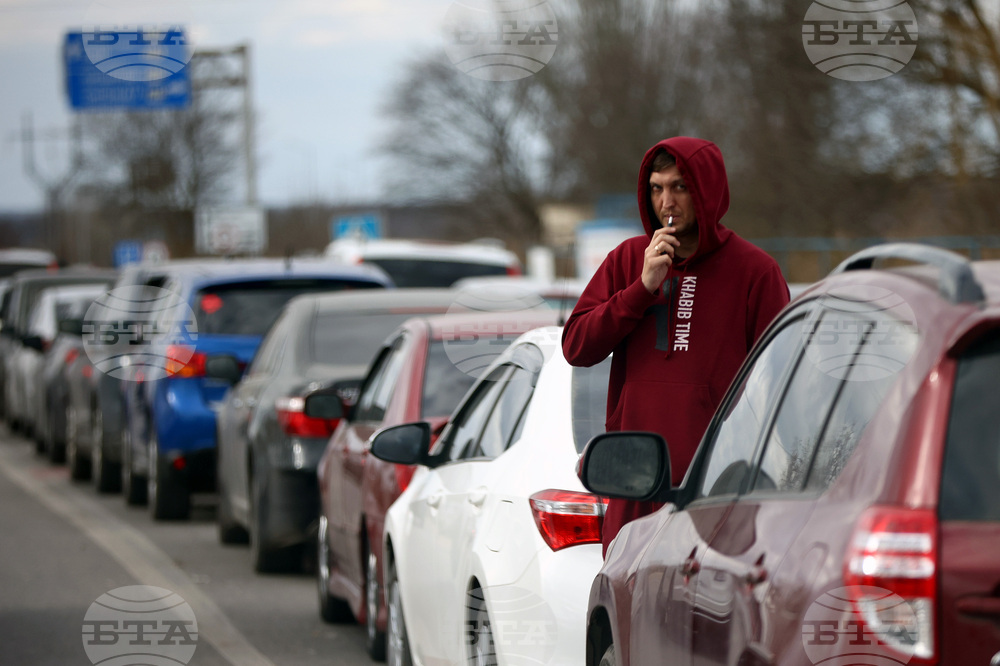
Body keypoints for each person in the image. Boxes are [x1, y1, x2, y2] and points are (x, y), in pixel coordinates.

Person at [562, 137, 789, 554]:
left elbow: (782, 385)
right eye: (656, 188)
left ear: (708, 190)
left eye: (680, 187)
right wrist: (641, 289)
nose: (667, 200)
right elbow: (577, 347)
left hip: (718, 492)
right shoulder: (628, 260)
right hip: (634, 485)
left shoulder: (756, 272)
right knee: (623, 616)